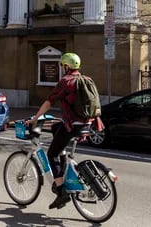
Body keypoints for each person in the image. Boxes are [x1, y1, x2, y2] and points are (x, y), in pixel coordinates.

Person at [27, 52, 97, 210]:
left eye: (63, 66)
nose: (62, 68)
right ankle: (63, 160)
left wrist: (36, 118)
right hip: (87, 123)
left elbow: (49, 101)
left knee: (51, 154)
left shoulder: (66, 82)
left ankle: (61, 192)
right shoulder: (87, 79)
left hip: (73, 125)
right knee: (55, 127)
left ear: (67, 66)